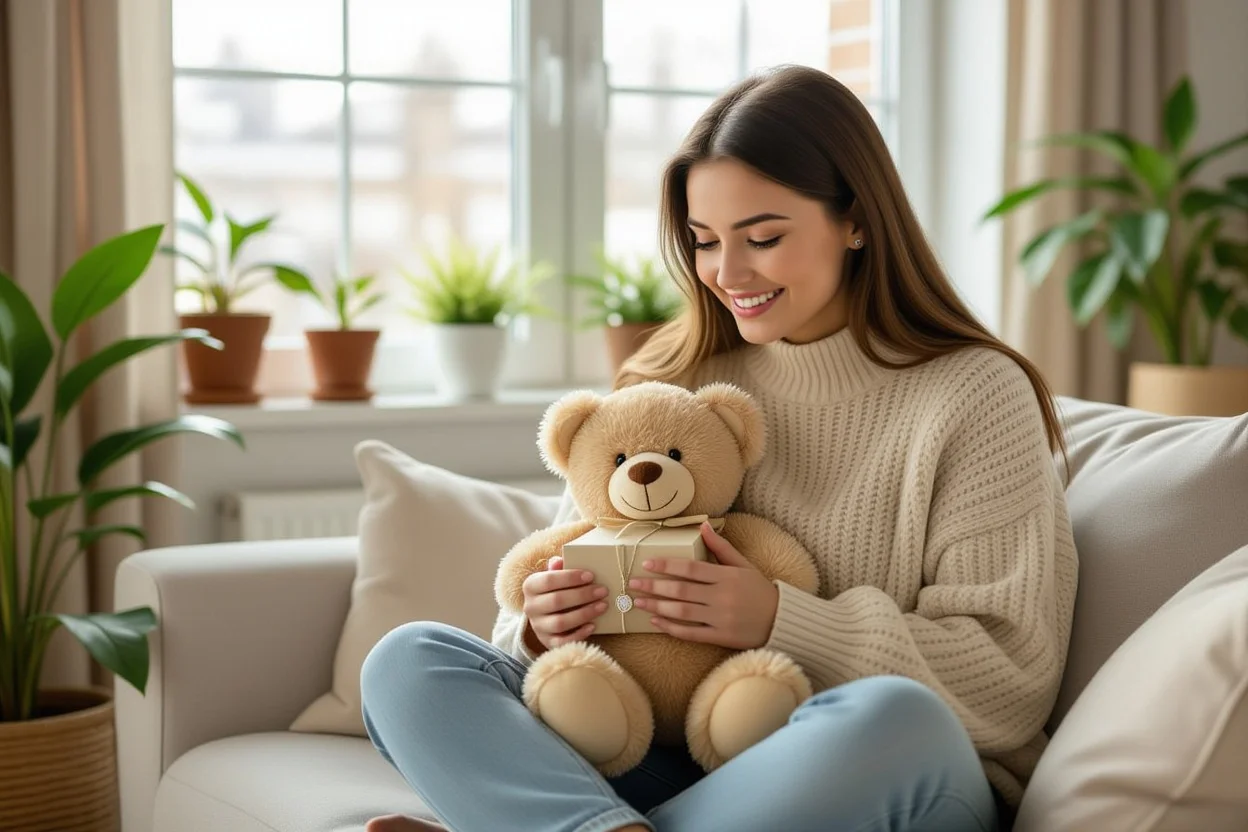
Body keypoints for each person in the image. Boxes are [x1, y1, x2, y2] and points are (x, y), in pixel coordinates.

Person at [359, 64, 1077, 832]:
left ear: (857, 221)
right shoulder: (671, 381)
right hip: (659, 764)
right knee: (410, 662)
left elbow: (1008, 683)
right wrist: (542, 623)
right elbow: (551, 611)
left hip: (875, 774)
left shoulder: (975, 393)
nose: (728, 274)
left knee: (895, 718)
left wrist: (780, 619)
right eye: (704, 242)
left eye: (763, 238)